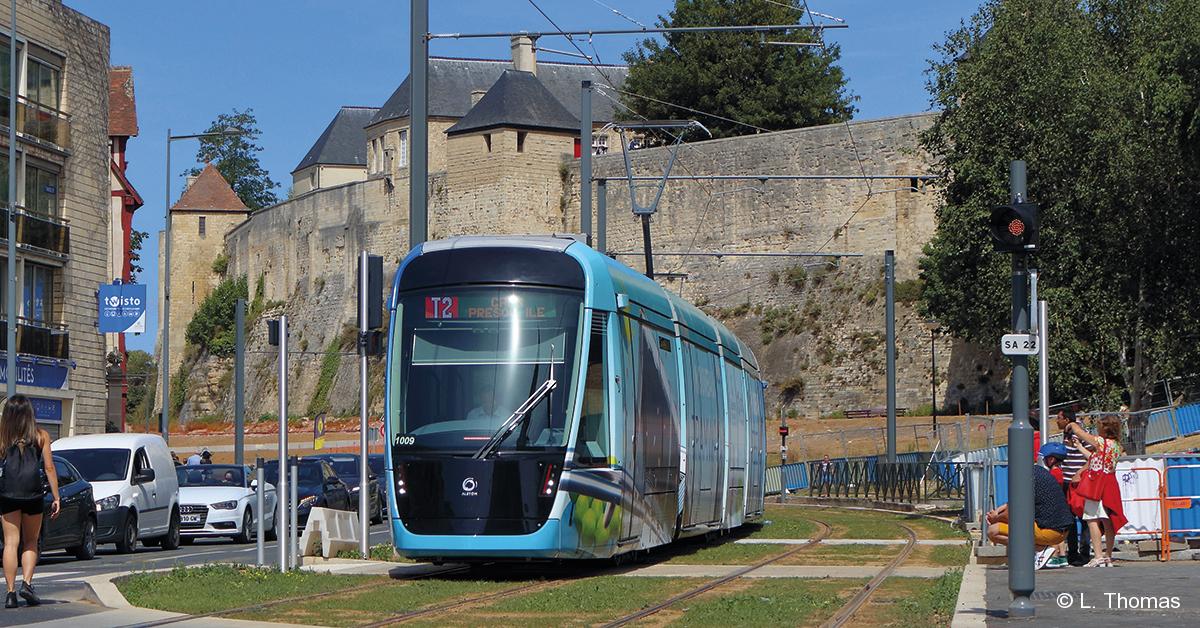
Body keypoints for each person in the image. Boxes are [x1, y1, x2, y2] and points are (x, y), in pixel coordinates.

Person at [0, 395, 60, 609]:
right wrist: (56, 496)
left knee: (10, 542)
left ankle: (10, 593)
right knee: (30, 541)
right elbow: (50, 468)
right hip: (33, 495)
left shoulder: (3, 438)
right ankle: (26, 583)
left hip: (8, 495)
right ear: (29, 414)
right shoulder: (41, 436)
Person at [985, 462, 1075, 571]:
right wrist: (997, 512)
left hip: (1048, 531)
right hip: (1061, 530)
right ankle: (1040, 550)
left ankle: (1040, 549)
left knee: (993, 531)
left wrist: (995, 518)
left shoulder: (1025, 478)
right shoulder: (1037, 473)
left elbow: (1011, 514)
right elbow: (1013, 503)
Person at [1068, 416, 1127, 567]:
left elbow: (1082, 434)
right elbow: (1096, 458)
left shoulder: (1100, 442)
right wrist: (1080, 448)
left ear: (1104, 428)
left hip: (1097, 485)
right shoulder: (1116, 446)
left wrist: (1074, 426)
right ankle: (1108, 556)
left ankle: (1098, 555)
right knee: (1108, 521)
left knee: (1092, 519)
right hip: (1110, 484)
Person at [1057, 410, 1091, 566]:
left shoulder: (1080, 434)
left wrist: (1080, 472)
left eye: (1059, 418)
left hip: (1079, 482)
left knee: (1084, 518)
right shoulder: (1066, 435)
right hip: (1066, 482)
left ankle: (1084, 553)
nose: (1056, 421)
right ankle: (1072, 553)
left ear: (1067, 419)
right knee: (1068, 518)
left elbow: (1093, 455)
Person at [1039, 442, 1070, 569]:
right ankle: (1062, 556)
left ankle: (1055, 555)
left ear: (1050, 459)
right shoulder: (1059, 471)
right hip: (1060, 506)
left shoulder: (1054, 473)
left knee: (1052, 531)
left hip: (1053, 506)